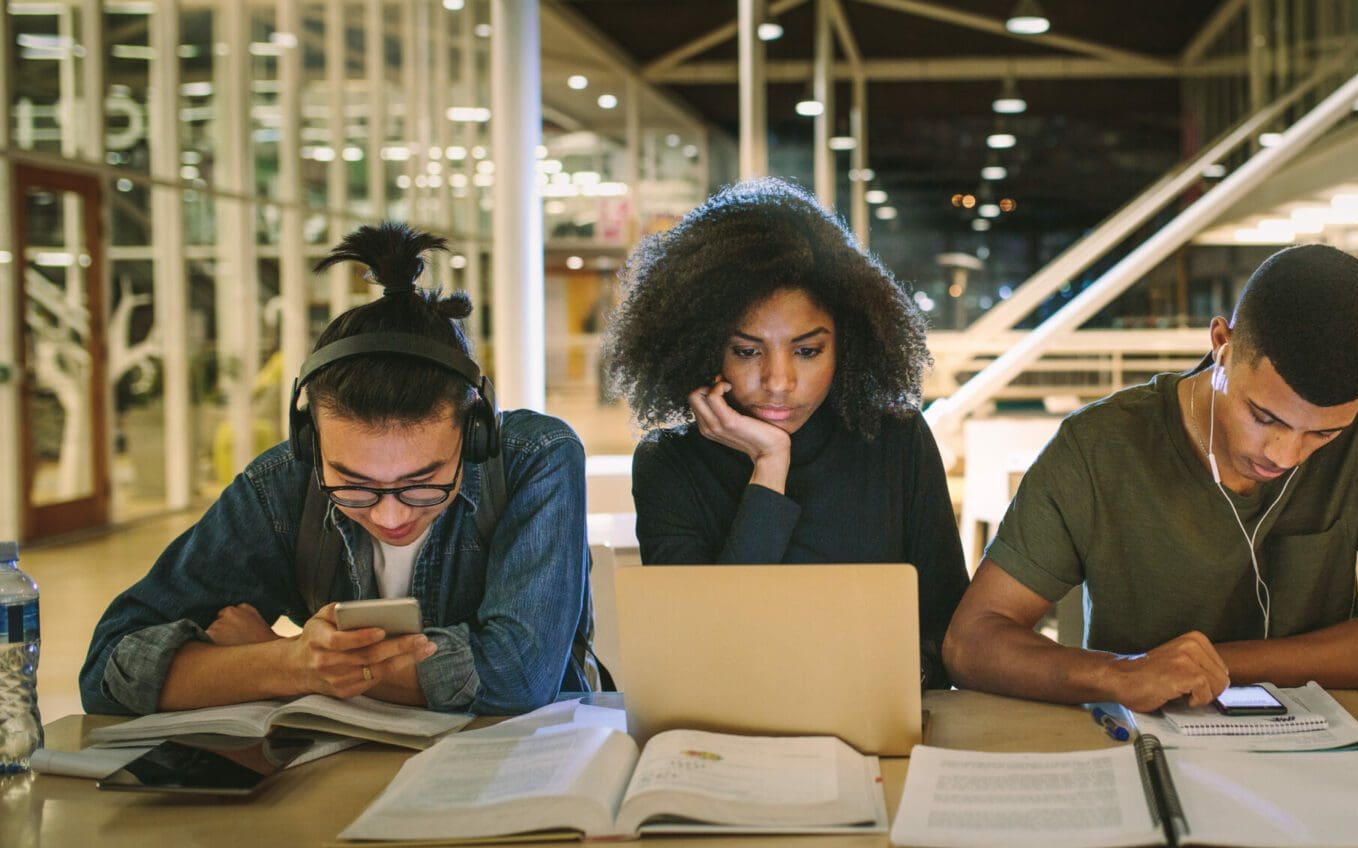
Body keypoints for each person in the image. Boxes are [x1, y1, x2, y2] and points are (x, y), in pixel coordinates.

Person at [81, 224, 598, 715]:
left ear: (476, 432)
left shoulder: (536, 458)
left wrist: (267, 658)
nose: (391, 516)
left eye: (422, 483)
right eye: (353, 485)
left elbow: (518, 678)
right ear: (309, 443)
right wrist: (288, 662)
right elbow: (109, 669)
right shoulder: (282, 482)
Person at [942, 244, 1358, 713]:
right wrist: (1120, 673)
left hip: (1322, 758)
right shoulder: (1099, 448)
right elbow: (971, 642)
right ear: (1222, 345)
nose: (1285, 454)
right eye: (1264, 417)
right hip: (1146, 750)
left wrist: (1217, 666)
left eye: (1323, 435)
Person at [605, 178, 967, 689]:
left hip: (874, 720)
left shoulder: (894, 440)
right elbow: (704, 649)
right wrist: (770, 465)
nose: (779, 382)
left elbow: (950, 632)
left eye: (807, 350)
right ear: (704, 348)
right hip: (729, 733)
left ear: (847, 345)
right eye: (748, 351)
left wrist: (892, 680)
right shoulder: (669, 464)